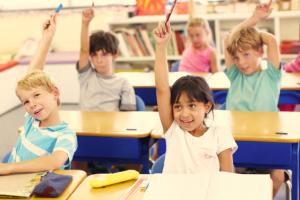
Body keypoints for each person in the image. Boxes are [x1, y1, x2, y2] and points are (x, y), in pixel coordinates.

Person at [153, 21, 237, 174]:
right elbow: (162, 89)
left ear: (207, 106)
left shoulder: (220, 134)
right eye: (178, 106)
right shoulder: (174, 130)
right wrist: (161, 46)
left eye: (192, 105)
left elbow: (227, 180)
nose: (184, 114)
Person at [0, 15, 77, 175]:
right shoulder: (32, 120)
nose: (32, 104)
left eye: (36, 95)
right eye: (26, 101)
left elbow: (56, 160)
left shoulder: (65, 133)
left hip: (37, 190)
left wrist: (9, 168)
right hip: (12, 183)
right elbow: (31, 76)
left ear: (55, 93)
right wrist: (46, 38)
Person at [224, 1, 285, 197]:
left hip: (268, 139)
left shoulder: (271, 76)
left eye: (247, 55)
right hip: (237, 141)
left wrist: (255, 36)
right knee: (227, 175)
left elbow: (271, 41)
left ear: (260, 52)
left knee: (277, 177)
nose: (241, 62)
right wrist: (254, 19)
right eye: (236, 58)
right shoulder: (235, 75)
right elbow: (229, 40)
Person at [77, 6, 136, 112]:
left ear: (115, 55)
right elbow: (84, 50)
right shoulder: (86, 76)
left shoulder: (123, 83)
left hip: (110, 127)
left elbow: (128, 116)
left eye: (104, 54)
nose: (99, 60)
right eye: (94, 55)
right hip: (86, 126)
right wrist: (85, 23)